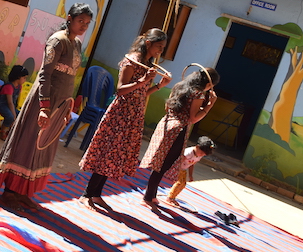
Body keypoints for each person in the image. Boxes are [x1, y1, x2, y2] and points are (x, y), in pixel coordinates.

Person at [0, 3, 93, 211]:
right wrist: (44, 107)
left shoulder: (77, 44)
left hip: (60, 103)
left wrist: (66, 106)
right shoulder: (57, 41)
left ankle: (24, 191)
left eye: (87, 23)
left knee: (44, 147)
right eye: (80, 21)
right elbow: (45, 75)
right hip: (44, 100)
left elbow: (71, 77)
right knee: (28, 142)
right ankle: (10, 191)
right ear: (69, 18)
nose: (83, 26)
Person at [79, 29, 170, 211]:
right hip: (120, 113)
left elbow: (142, 93)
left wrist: (159, 86)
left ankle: (97, 194)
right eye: (159, 46)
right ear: (148, 43)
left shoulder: (147, 63)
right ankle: (87, 194)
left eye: (163, 48)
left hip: (134, 115)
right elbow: (121, 90)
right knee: (107, 152)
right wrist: (143, 80)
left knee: (115, 155)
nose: (160, 51)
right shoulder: (132, 61)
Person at [140, 67, 220, 207]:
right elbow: (193, 118)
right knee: (163, 164)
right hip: (178, 130)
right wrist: (209, 106)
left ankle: (151, 195)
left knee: (160, 161)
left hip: (166, 125)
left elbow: (168, 106)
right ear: (208, 84)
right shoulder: (198, 94)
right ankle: (148, 197)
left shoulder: (179, 86)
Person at [165, 136, 215, 207]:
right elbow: (179, 161)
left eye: (204, 155)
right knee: (179, 183)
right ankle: (169, 197)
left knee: (183, 184)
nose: (201, 155)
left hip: (183, 170)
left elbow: (192, 164)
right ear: (197, 147)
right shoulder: (188, 153)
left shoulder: (199, 156)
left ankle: (173, 197)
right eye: (201, 153)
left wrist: (190, 175)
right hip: (177, 168)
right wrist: (174, 171)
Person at [0, 65, 30, 140]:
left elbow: (15, 101)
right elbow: (9, 102)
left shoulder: (19, 87)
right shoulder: (8, 87)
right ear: (18, 77)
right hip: (2, 106)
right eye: (24, 78)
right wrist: (14, 115)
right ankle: (2, 131)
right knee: (10, 117)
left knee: (20, 115)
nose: (25, 80)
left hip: (11, 106)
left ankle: (10, 130)